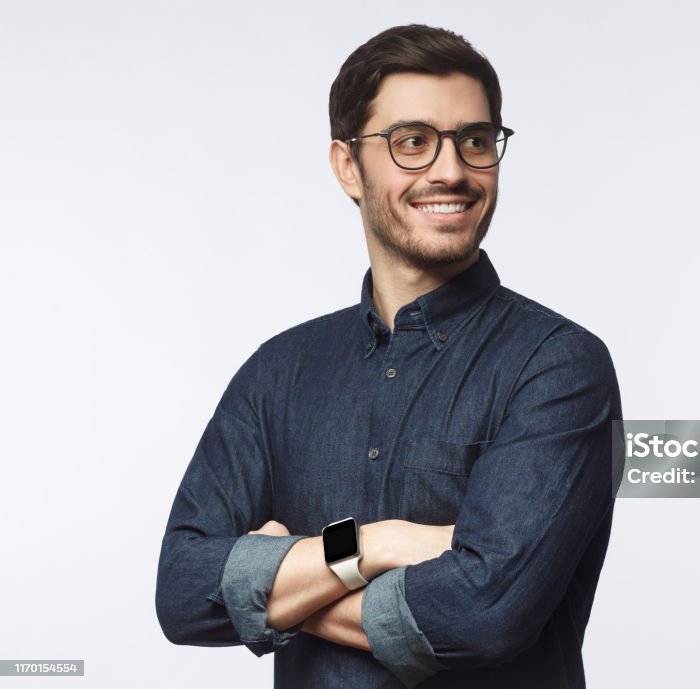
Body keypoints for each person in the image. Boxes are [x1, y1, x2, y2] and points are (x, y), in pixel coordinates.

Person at [156, 24, 621, 689]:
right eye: (412, 142)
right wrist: (378, 544)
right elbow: (179, 590)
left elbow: (483, 612)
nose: (451, 170)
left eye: (475, 140)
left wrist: (278, 581)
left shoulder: (557, 367)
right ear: (348, 166)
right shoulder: (279, 371)